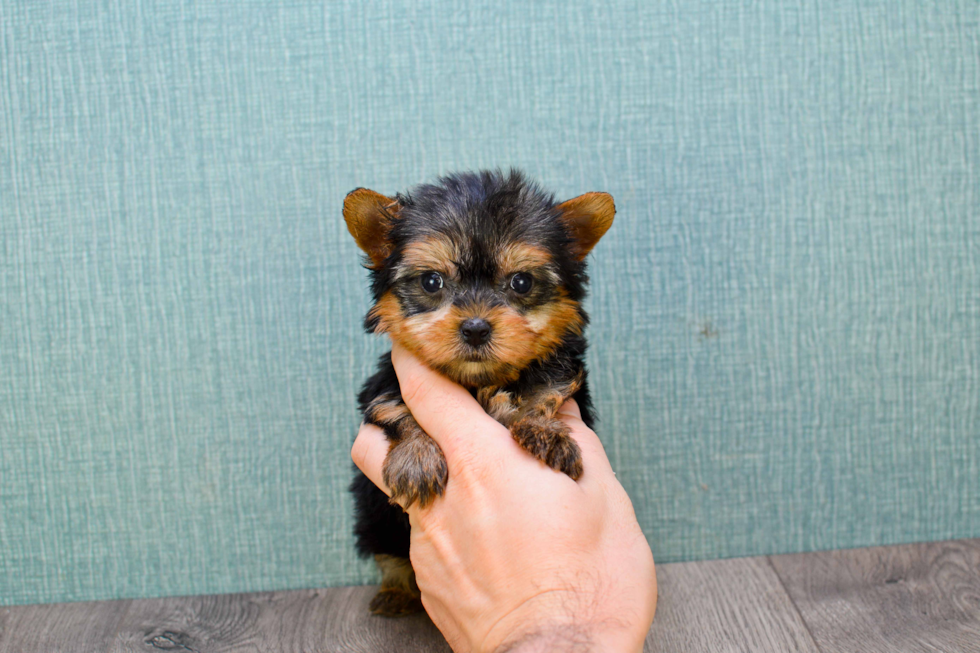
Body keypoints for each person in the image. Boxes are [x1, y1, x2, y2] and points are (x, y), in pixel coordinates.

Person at [351, 344, 658, 653]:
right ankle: (397, 577)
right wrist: (409, 434)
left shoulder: (551, 378)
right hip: (403, 549)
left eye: (519, 290)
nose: (476, 319)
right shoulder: (400, 382)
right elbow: (380, 409)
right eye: (433, 290)